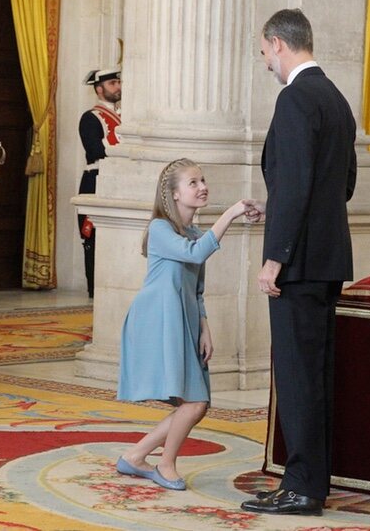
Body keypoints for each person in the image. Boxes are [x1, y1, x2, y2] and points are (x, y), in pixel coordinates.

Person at [240, 9, 357, 517]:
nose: (265, 61)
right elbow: (339, 186)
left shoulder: (294, 99)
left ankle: (303, 487)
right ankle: (311, 481)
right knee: (316, 374)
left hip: (299, 264)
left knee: (297, 376)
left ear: (277, 44)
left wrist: (275, 258)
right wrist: (284, 211)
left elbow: (292, 185)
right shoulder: (335, 98)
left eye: (264, 52)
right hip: (328, 257)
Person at [116, 158, 251, 491]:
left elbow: (197, 288)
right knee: (195, 402)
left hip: (184, 318)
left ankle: (136, 456)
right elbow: (194, 254)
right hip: (158, 319)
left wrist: (204, 327)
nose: (202, 186)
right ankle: (165, 464)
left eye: (202, 180)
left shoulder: (193, 232)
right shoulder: (161, 229)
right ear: (174, 194)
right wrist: (231, 213)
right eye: (193, 182)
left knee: (196, 404)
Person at [78, 68, 122, 298]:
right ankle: (95, 289)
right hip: (96, 179)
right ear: (99, 89)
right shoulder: (91, 117)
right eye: (113, 83)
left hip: (121, 180)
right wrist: (121, 135)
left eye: (119, 82)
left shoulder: (125, 116)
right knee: (93, 238)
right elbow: (95, 150)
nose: (118, 87)